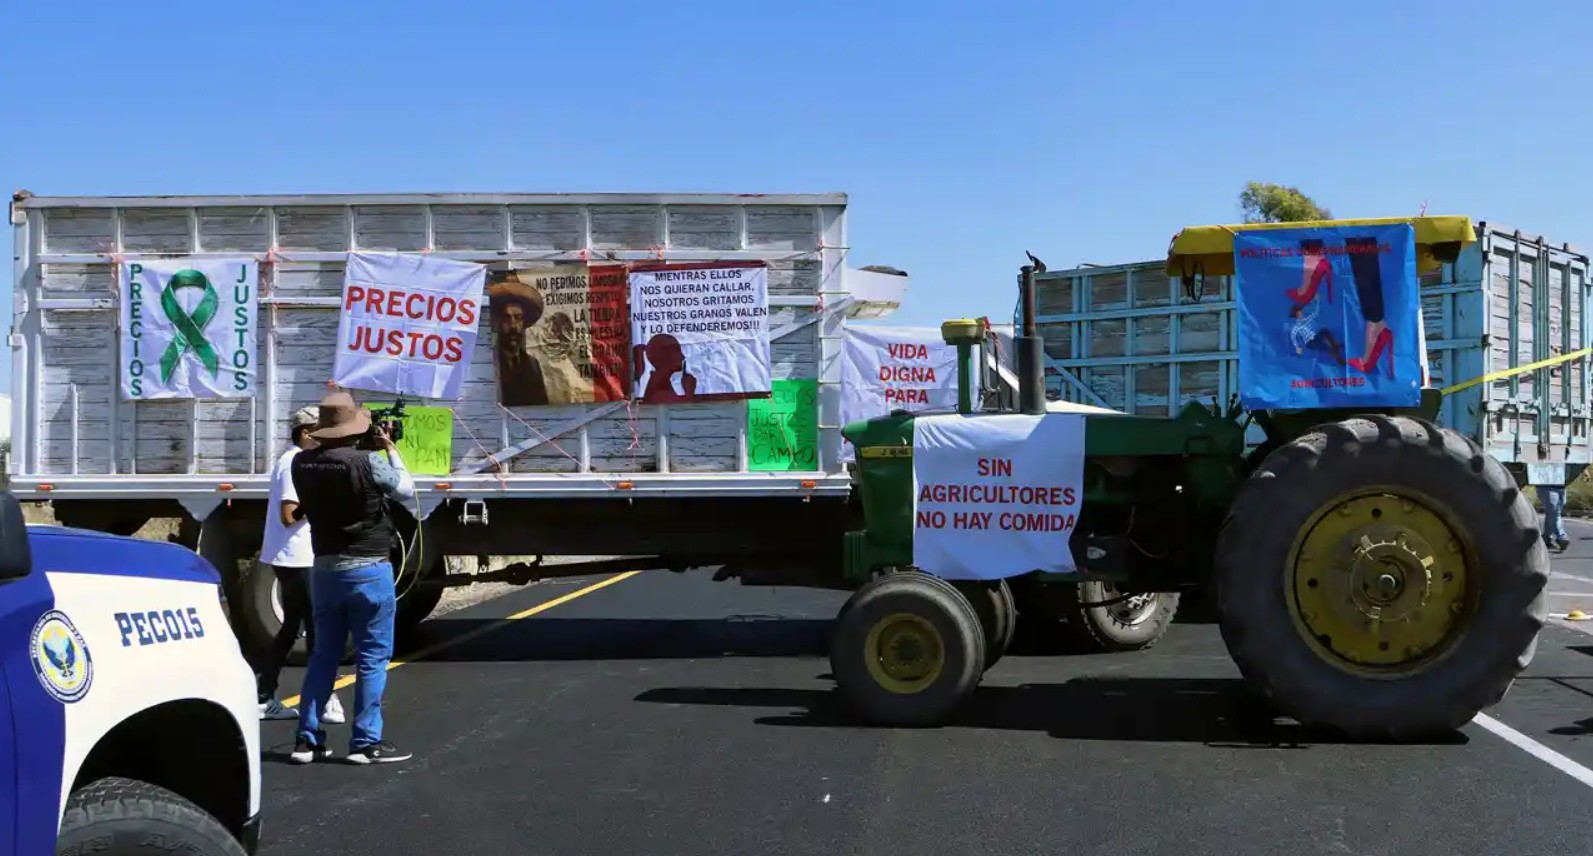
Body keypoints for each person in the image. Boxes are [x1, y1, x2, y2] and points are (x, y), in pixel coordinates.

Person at [287, 391, 415, 765]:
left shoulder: (301, 464)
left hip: (324, 569)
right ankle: (364, 742)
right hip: (368, 567)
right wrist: (390, 448)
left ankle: (306, 740)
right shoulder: (370, 461)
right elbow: (405, 490)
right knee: (372, 657)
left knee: (323, 655)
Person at [255, 406, 345, 725]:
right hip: (298, 557)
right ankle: (325, 698)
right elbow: (289, 515)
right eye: (319, 432)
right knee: (318, 627)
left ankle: (264, 696)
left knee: (292, 625)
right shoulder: (295, 462)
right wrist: (319, 499)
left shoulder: (293, 460)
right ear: (306, 433)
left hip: (291, 557)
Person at [487, 271, 551, 406]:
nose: (513, 326)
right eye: (507, 318)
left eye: (518, 318)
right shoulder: (489, 360)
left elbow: (542, 404)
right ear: (498, 321)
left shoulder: (533, 365)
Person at [1541, 483, 1571, 551]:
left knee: (1553, 513)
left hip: (1561, 486)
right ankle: (1561, 536)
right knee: (1554, 512)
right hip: (1546, 485)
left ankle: (1546, 538)